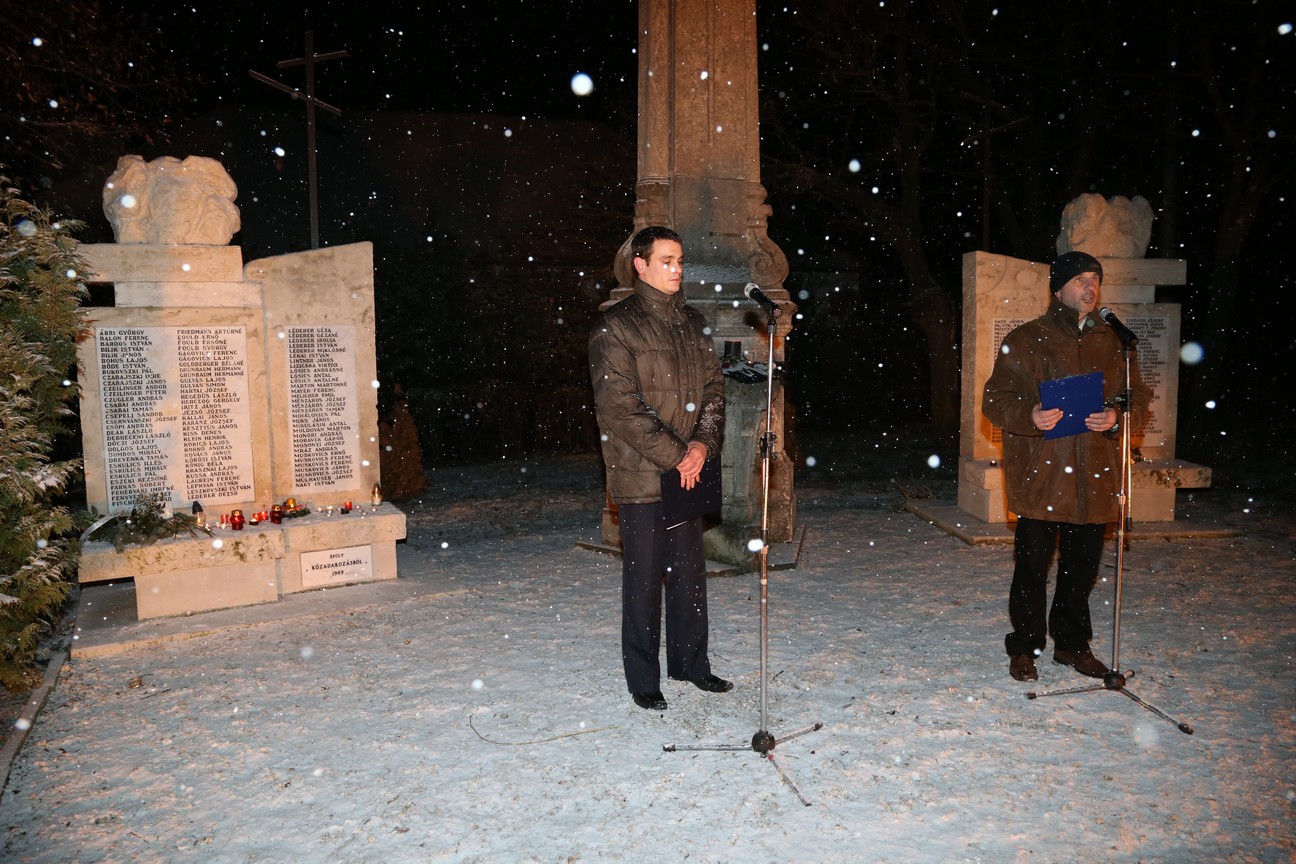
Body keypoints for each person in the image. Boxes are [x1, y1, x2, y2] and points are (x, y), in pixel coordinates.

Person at [982, 250, 1151, 682]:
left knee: (1081, 572)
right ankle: (1025, 647)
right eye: (1080, 280)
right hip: (1041, 475)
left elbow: (1138, 397)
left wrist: (1117, 418)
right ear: (1058, 289)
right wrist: (1030, 416)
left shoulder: (1114, 340)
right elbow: (995, 399)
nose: (1090, 287)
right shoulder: (1026, 339)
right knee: (1031, 569)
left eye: (1095, 279)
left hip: (1094, 475)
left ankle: (1073, 646)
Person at [588, 226, 732, 711]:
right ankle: (643, 677)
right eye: (667, 260)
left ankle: (692, 664)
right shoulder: (615, 327)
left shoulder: (692, 323)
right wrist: (679, 455)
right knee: (644, 578)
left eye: (681, 260)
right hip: (643, 472)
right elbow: (621, 408)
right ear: (641, 265)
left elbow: (715, 388)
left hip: (688, 469)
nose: (677, 269)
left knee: (690, 575)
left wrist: (703, 443)